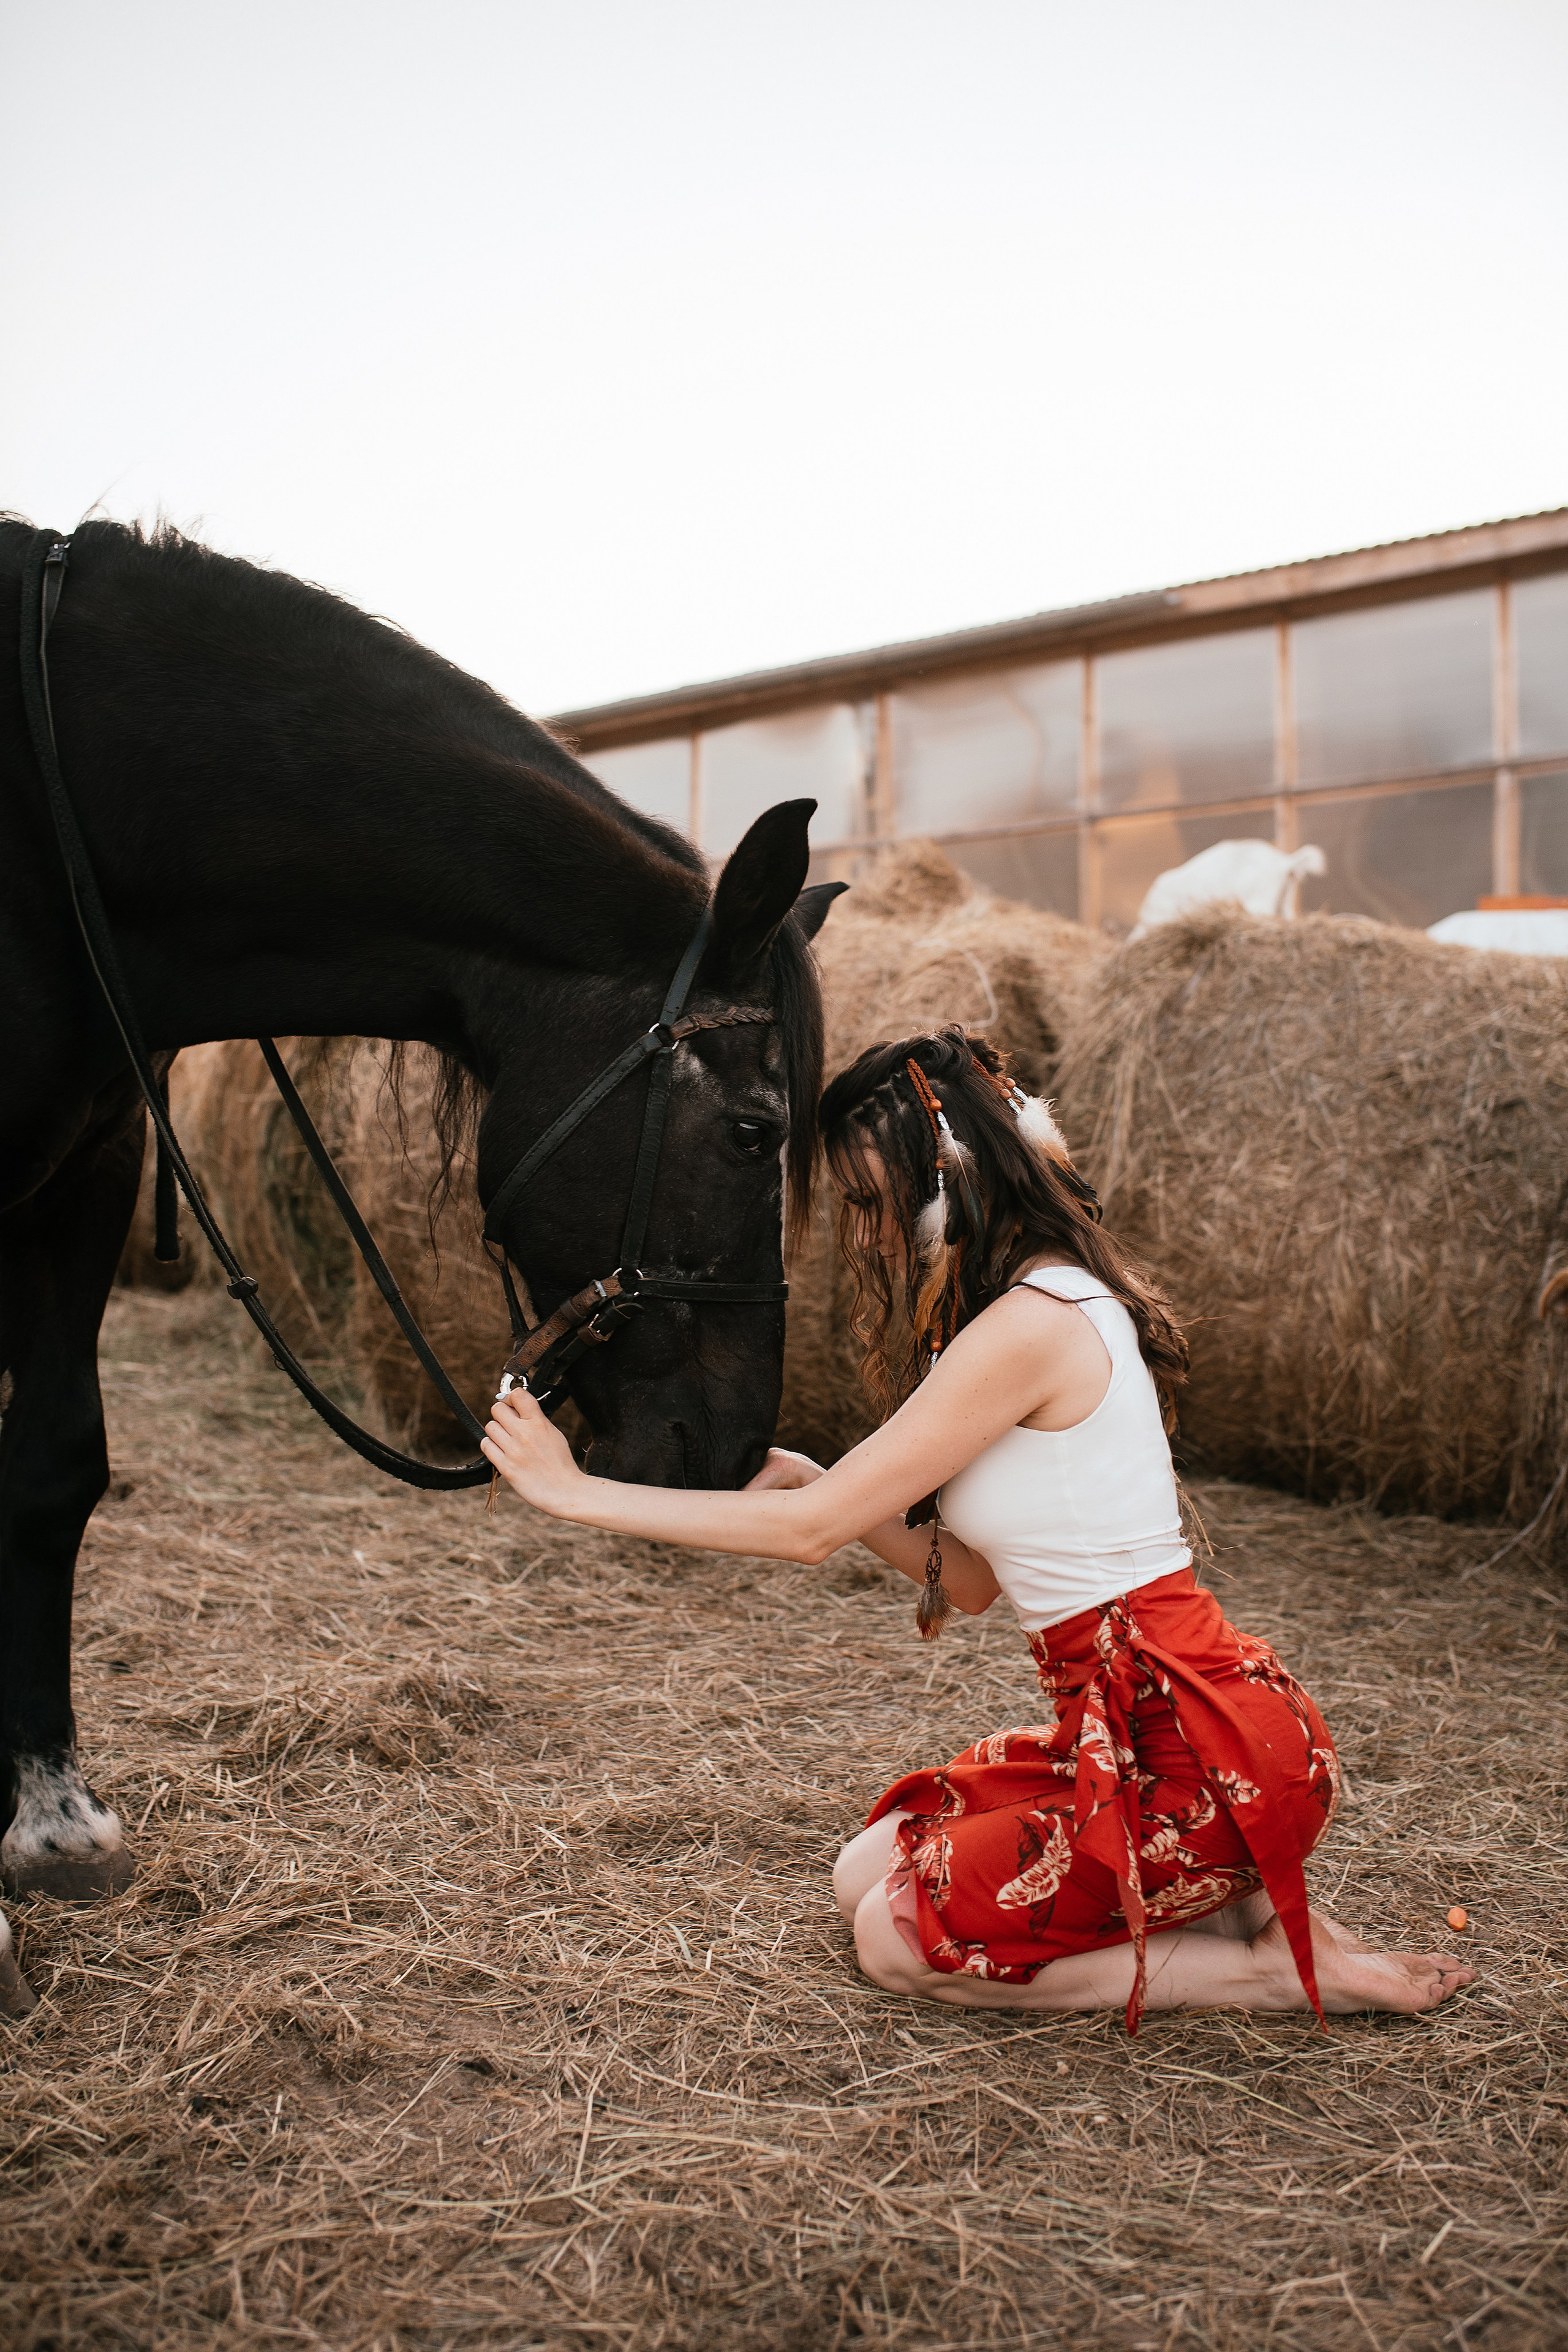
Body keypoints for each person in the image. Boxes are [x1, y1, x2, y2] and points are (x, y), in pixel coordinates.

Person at [482, 1027, 1473, 2027]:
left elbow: (808, 1533)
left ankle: (1272, 1974)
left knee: (898, 1940)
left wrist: (575, 1491)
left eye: (869, 1203)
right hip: (1138, 1738)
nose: (864, 1237)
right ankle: (1237, 1912)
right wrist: (822, 1482)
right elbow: (968, 1583)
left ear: (946, 1182)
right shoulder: (1031, 1306)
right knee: (863, 1872)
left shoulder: (1031, 1324)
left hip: (1198, 1758)